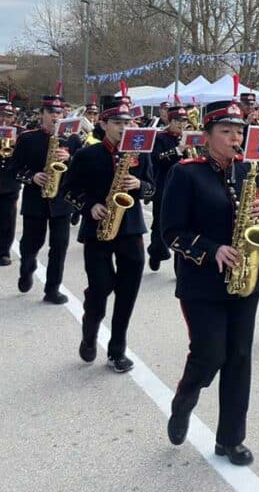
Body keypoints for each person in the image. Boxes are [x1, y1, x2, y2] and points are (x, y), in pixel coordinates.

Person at [162, 98, 259, 465]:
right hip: (203, 283)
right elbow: (170, 232)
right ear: (207, 135)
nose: (235, 138)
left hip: (247, 278)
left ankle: (230, 439)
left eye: (239, 131)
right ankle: (185, 398)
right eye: (226, 131)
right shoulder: (186, 173)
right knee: (210, 354)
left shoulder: (252, 170)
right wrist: (211, 249)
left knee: (240, 357)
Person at [63, 94, 155, 372]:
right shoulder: (86, 154)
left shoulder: (140, 153)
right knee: (100, 288)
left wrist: (139, 184)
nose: (124, 128)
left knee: (127, 293)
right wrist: (90, 206)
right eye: (117, 122)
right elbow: (69, 190)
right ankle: (90, 331)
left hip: (131, 230)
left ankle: (117, 350)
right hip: (97, 231)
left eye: (127, 122)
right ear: (103, 124)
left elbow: (152, 188)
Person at [10, 89, 81, 303]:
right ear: (42, 114)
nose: (55, 116)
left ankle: (52, 289)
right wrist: (32, 176)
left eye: (59, 112)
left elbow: (82, 170)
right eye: (51, 112)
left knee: (59, 247)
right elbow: (13, 168)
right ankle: (27, 266)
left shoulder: (73, 140)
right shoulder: (27, 138)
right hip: (35, 199)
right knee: (30, 244)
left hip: (61, 201)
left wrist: (69, 158)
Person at [148, 104, 189, 271]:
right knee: (160, 224)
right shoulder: (160, 138)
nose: (181, 124)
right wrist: (177, 150)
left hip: (186, 187)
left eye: (184, 121)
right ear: (170, 121)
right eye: (177, 121)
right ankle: (156, 252)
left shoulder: (191, 137)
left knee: (185, 227)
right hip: (165, 186)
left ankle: (180, 266)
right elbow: (155, 159)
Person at [0, 101, 20, 266]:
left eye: (8, 116)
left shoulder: (20, 133)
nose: (4, 119)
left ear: (13, 118)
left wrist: (16, 145)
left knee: (7, 218)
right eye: (1, 115)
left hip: (9, 182)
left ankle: (3, 252)